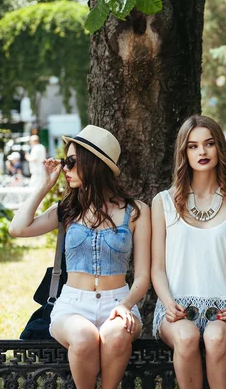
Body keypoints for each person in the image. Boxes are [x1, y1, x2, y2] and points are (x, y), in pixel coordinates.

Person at [8, 125, 151, 389]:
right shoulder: (67, 209)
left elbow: (143, 275)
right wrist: (43, 185)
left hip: (118, 302)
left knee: (117, 337)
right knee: (84, 337)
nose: (65, 168)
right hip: (72, 305)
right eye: (65, 161)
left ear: (94, 164)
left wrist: (125, 305)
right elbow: (17, 229)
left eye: (71, 162)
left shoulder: (136, 211)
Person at [151, 115, 226, 389]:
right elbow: (157, 268)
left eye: (208, 144)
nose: (202, 152)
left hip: (224, 309)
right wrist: (169, 303)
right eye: (193, 146)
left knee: (217, 338)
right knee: (186, 337)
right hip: (176, 309)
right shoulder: (163, 202)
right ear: (184, 152)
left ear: (219, 148)